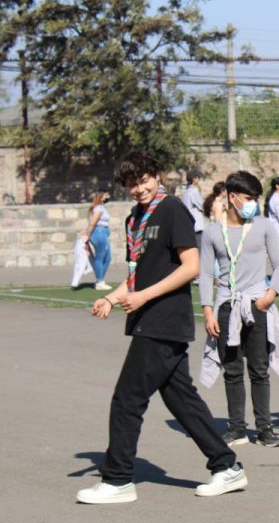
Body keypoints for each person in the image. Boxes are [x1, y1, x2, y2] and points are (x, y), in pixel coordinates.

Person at [77, 151, 246, 504]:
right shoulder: (135, 218)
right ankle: (227, 466)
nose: (138, 188)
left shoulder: (171, 209)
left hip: (164, 319)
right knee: (181, 400)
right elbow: (137, 274)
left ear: (157, 176)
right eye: (131, 183)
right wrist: (112, 299)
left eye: (143, 180)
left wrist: (142, 297)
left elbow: (191, 266)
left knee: (127, 399)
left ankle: (118, 478)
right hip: (145, 317)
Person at [199, 171, 279, 449]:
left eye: (255, 198)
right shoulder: (212, 232)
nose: (253, 203)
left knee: (259, 369)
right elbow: (206, 274)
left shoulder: (263, 226)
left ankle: (265, 428)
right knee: (231, 370)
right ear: (231, 197)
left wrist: (269, 296)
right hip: (226, 307)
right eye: (248, 198)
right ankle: (237, 428)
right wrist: (208, 311)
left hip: (256, 303)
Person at [82, 190, 113, 291]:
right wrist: (87, 234)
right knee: (100, 257)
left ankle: (100, 279)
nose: (108, 196)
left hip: (102, 232)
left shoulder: (101, 207)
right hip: (98, 232)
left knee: (107, 257)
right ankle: (100, 281)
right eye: (106, 195)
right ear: (101, 196)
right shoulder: (98, 208)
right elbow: (93, 222)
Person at [182, 170, 205, 243]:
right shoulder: (194, 191)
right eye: (198, 178)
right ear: (194, 179)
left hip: (188, 223)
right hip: (196, 225)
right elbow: (202, 205)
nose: (198, 180)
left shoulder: (186, 191)